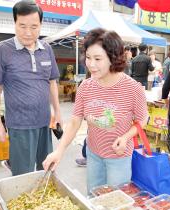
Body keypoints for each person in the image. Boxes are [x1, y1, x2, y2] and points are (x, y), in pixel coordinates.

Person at [43, 28, 148, 193]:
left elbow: (143, 119)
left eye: (98, 59)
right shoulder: (86, 86)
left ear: (113, 59)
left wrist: (126, 137)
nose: (91, 64)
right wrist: (59, 151)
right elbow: (75, 121)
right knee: (94, 196)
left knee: (115, 202)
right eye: (89, 58)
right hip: (94, 155)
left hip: (119, 157)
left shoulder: (132, 88)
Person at [0, 1, 61, 176]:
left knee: (46, 170)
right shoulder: (3, 49)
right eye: (22, 26)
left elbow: (52, 82)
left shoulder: (47, 49)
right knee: (23, 175)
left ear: (41, 25)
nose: (28, 33)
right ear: (14, 23)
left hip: (44, 122)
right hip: (20, 125)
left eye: (34, 27)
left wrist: (57, 112)